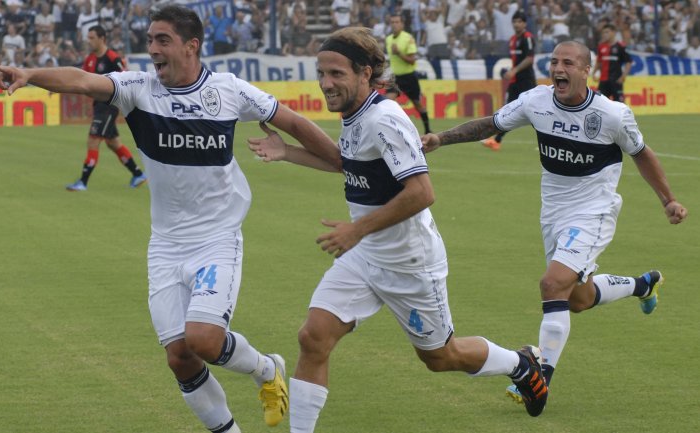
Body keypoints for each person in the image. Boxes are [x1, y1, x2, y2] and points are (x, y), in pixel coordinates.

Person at [0, 5, 339, 432]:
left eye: (163, 41)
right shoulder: (138, 88)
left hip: (217, 237)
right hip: (166, 245)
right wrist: (30, 75)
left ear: (191, 46)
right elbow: (81, 81)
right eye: (150, 41)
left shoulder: (230, 91)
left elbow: (294, 122)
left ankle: (267, 370)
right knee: (179, 356)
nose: (152, 50)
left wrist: (342, 162)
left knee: (204, 340)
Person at [247, 27, 549, 431]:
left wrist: (356, 230)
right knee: (313, 337)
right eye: (321, 73)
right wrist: (289, 152)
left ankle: (521, 364)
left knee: (441, 357)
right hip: (365, 256)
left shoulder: (385, 118)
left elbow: (422, 192)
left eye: (336, 73)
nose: (325, 83)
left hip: (410, 262)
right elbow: (346, 164)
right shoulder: (355, 115)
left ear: (365, 72)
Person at [421, 40, 688, 405]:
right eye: (554, 62)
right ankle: (643, 285)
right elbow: (491, 123)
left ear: (585, 70)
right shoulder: (537, 101)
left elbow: (642, 154)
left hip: (594, 210)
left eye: (568, 63)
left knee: (552, 283)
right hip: (554, 213)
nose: (558, 69)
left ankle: (538, 379)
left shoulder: (611, 115)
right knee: (577, 297)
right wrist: (442, 137)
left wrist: (668, 199)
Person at [65, 25, 146, 192]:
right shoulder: (90, 59)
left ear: (102, 39)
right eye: (88, 38)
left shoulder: (112, 58)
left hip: (109, 106)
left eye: (92, 37)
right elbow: (81, 80)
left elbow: (126, 78)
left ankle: (83, 182)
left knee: (93, 140)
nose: (89, 41)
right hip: (98, 105)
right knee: (112, 143)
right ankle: (138, 174)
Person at [482, 11, 536, 151]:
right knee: (508, 110)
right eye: (515, 21)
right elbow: (516, 60)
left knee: (535, 112)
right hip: (515, 81)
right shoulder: (512, 39)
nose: (516, 24)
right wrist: (509, 71)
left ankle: (551, 139)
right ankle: (496, 141)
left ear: (524, 23)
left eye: (519, 21)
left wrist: (514, 71)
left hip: (526, 81)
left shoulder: (528, 38)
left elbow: (530, 58)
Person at [385, 13, 432, 135]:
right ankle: (390, 130)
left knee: (418, 104)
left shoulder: (408, 38)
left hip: (409, 77)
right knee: (386, 102)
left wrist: (399, 53)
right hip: (395, 77)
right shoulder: (388, 39)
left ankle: (427, 130)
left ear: (402, 24)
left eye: (397, 22)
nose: (394, 24)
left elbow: (412, 61)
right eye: (392, 22)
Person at [592, 23, 632, 102]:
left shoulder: (621, 46)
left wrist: (623, 76)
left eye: (607, 32)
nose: (605, 34)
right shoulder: (601, 46)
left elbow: (628, 62)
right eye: (603, 33)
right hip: (603, 80)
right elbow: (599, 62)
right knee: (600, 103)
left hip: (616, 80)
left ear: (614, 32)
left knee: (619, 103)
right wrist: (594, 73)